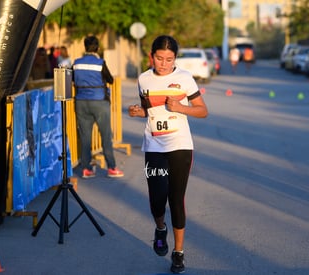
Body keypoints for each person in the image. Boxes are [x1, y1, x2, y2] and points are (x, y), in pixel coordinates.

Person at [128, 35, 208, 274]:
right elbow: (148, 109)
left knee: (176, 198)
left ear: (175, 58)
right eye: (159, 58)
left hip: (180, 145)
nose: (164, 64)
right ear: (151, 56)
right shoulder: (143, 78)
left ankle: (178, 252)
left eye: (169, 59)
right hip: (154, 146)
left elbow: (203, 110)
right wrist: (137, 111)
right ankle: (160, 228)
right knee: (156, 199)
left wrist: (181, 108)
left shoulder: (183, 78)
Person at [72, 36, 124, 178]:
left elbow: (72, 79)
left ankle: (86, 169)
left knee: (85, 137)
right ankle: (112, 168)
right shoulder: (100, 63)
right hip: (99, 101)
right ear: (97, 48)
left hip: (81, 102)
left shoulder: (76, 63)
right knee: (106, 135)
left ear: (85, 47)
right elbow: (110, 80)